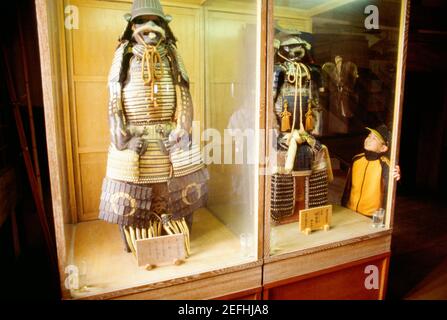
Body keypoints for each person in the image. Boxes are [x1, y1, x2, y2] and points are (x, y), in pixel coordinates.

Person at [341, 125, 401, 216]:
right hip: (350, 210)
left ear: (383, 148)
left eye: (374, 138)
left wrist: (397, 176)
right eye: (369, 136)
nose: (369, 139)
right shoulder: (356, 159)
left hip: (371, 215)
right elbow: (348, 186)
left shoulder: (385, 164)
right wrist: (343, 204)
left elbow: (390, 191)